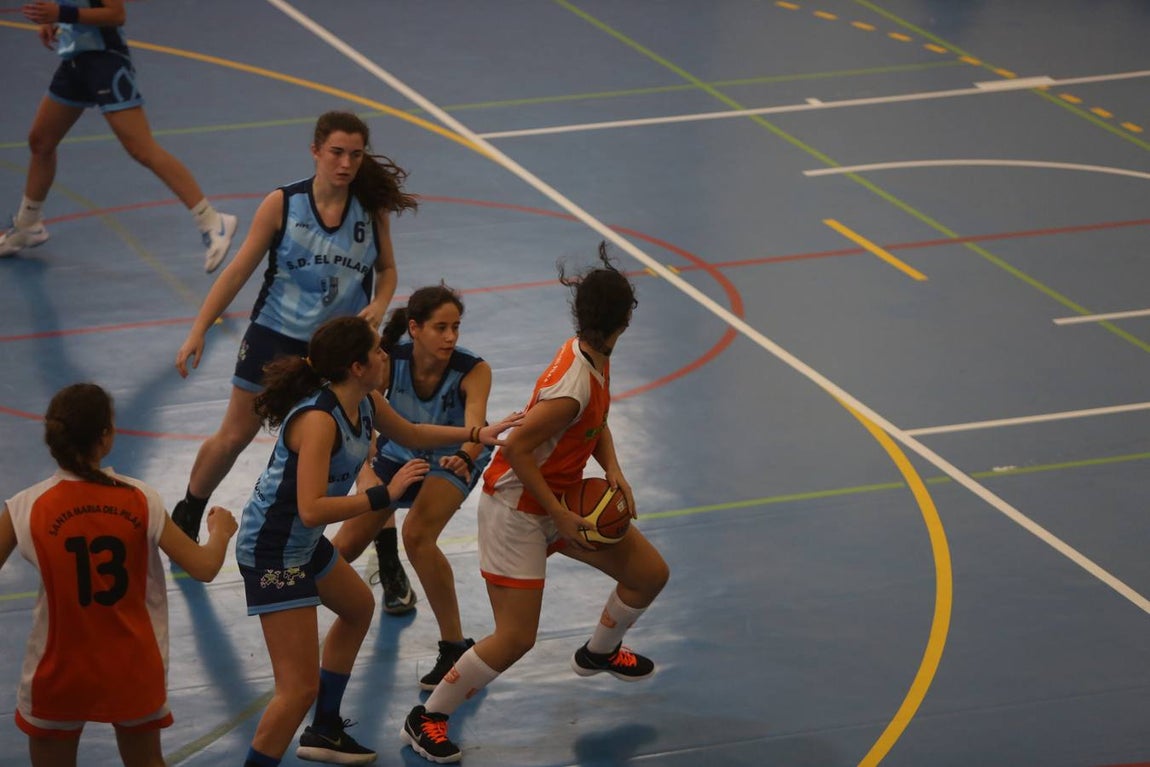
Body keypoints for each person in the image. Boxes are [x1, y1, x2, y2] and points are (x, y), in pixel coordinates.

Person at [402, 245, 671, 764]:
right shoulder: (572, 386)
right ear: (626, 319)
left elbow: (597, 422)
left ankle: (599, 652)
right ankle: (427, 717)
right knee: (516, 637)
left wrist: (612, 469)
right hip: (516, 509)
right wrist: (561, 515)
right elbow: (520, 449)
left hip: (558, 495)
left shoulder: (590, 352)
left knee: (648, 575)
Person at [236, 315, 521, 767]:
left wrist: (475, 434)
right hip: (274, 550)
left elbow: (413, 433)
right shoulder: (318, 422)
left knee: (358, 607)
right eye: (378, 351)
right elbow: (311, 508)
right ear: (356, 365)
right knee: (296, 690)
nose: (387, 355)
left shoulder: (364, 400)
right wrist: (381, 496)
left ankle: (325, 729)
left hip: (300, 543)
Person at [171, 110, 417, 543]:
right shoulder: (283, 204)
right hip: (276, 334)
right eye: (337, 153)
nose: (345, 163)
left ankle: (387, 557)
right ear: (315, 151)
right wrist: (199, 329)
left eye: (355, 155)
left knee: (364, 452)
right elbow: (237, 272)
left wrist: (379, 303)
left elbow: (389, 268)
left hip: (341, 348)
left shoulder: (370, 209)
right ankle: (190, 508)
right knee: (235, 434)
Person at [0, 383, 237, 767]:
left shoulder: (25, 507)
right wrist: (221, 531)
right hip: (132, 664)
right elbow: (205, 567)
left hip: (59, 668)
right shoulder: (140, 498)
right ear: (105, 438)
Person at [331, 285, 493, 690]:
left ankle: (454, 645)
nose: (451, 336)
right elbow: (366, 423)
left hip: (455, 457)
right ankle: (296, 601)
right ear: (415, 329)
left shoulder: (474, 369)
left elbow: (477, 428)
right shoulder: (386, 362)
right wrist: (366, 470)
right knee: (344, 546)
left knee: (418, 534)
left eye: (456, 327)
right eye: (441, 327)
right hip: (398, 452)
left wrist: (468, 457)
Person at [0, 0, 238, 272]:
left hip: (106, 64)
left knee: (142, 149)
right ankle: (28, 225)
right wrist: (51, 21)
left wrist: (60, 13)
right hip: (76, 61)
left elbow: (115, 14)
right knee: (41, 141)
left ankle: (212, 221)